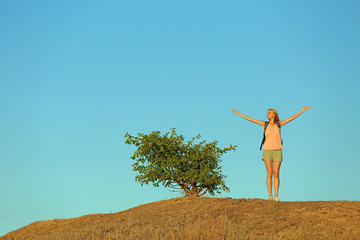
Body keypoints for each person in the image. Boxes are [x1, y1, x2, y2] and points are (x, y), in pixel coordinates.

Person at [231, 106, 311, 201]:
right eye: (267, 113)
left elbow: (291, 118)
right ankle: (270, 196)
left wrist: (302, 111)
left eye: (269, 113)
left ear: (274, 114)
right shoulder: (264, 124)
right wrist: (239, 113)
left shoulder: (279, 124)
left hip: (277, 151)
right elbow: (251, 120)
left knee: (276, 173)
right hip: (267, 151)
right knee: (269, 173)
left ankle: (276, 196)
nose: (267, 114)